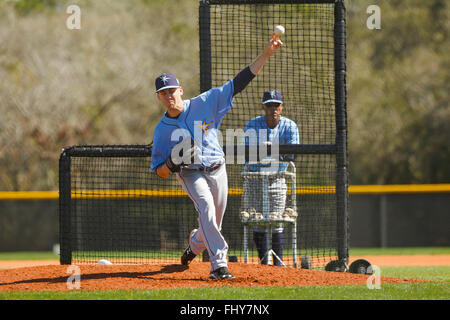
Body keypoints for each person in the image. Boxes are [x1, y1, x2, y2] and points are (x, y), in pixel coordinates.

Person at [150, 37, 283, 280]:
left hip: (218, 169)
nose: (169, 96)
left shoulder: (207, 101)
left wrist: (265, 54)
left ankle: (194, 244)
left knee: (212, 225)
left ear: (180, 90)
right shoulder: (162, 130)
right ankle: (219, 266)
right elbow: (157, 170)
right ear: (158, 97)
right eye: (163, 93)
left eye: (171, 90)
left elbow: (239, 82)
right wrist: (170, 164)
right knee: (207, 210)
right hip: (191, 173)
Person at [242, 89, 299, 266]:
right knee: (257, 219)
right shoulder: (252, 124)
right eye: (269, 105)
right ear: (263, 107)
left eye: (276, 105)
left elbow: (293, 155)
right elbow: (246, 153)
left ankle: (278, 263)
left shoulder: (290, 126)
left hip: (278, 176)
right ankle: (263, 262)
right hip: (254, 176)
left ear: (281, 107)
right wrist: (266, 149)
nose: (273, 109)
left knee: (277, 219)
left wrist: (271, 149)